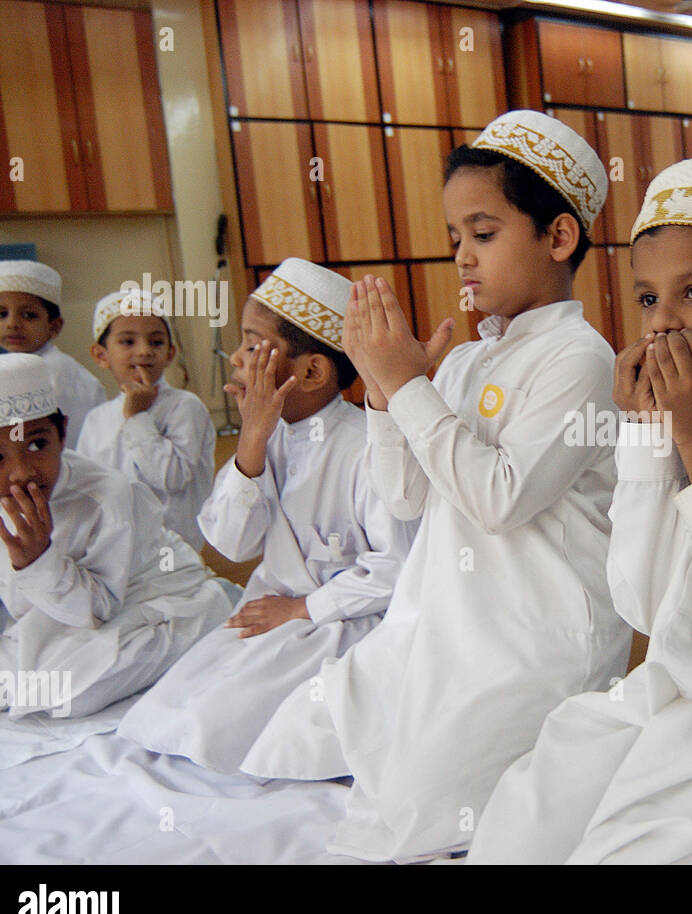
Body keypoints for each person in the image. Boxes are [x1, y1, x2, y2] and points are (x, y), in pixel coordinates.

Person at [241, 110, 629, 862]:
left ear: (558, 237)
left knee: (420, 816)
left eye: (483, 234)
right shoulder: (465, 359)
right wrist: (389, 399)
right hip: (443, 619)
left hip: (531, 635)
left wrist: (404, 384)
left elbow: (499, 497)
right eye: (456, 238)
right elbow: (407, 499)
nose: (463, 258)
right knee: (290, 739)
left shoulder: (579, 359)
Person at [468, 157, 692, 864]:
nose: (662, 324)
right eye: (645, 299)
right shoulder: (658, 418)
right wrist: (645, 438)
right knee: (523, 820)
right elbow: (640, 602)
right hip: (668, 689)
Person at [117, 259, 413, 773]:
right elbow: (231, 544)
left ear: (312, 372)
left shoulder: (368, 445)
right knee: (172, 707)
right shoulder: (267, 433)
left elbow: (397, 568)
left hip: (345, 619)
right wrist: (251, 442)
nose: (235, 357)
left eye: (253, 346)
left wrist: (302, 609)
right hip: (272, 611)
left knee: (225, 724)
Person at [0, 353, 230, 720]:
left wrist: (39, 559)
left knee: (70, 695)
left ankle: (211, 609)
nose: (21, 472)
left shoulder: (108, 495)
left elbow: (99, 608)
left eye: (36, 445)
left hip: (145, 595)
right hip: (53, 613)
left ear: (62, 435)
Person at [76, 288, 214, 551]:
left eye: (156, 342)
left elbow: (171, 478)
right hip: (115, 550)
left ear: (170, 353)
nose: (144, 351)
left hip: (173, 550)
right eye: (128, 342)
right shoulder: (97, 419)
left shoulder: (185, 407)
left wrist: (137, 417)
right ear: (101, 355)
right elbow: (88, 489)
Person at [0, 261, 105, 445]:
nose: (12, 324)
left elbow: (71, 443)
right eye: (2, 314)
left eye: (29, 315)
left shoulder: (59, 374)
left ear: (54, 326)